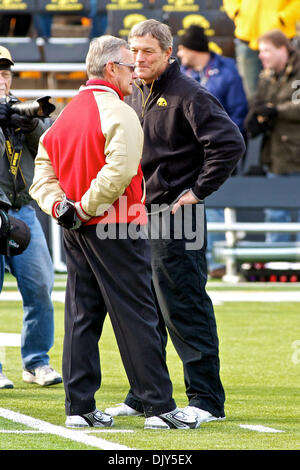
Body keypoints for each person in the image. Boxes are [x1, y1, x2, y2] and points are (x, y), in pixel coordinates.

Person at [29, 35, 200, 430]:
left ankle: (80, 408)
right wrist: (86, 208)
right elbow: (121, 170)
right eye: (127, 66)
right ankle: (159, 408)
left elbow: (43, 170)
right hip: (115, 227)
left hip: (76, 228)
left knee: (81, 315)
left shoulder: (67, 114)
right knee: (138, 315)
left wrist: (62, 207)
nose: (133, 74)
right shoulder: (120, 112)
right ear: (110, 69)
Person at [104, 19, 246, 424]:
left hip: (177, 215)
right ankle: (145, 394)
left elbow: (230, 142)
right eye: (134, 50)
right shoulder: (133, 95)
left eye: (148, 51)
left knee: (183, 306)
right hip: (140, 217)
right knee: (146, 310)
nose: (139, 58)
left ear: (169, 53)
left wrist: (198, 192)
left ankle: (205, 401)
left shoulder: (190, 94)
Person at [0, 46, 61, 390]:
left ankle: (36, 361)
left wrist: (34, 124)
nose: (2, 79)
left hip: (23, 208)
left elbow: (54, 145)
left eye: (6, 73)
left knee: (40, 286)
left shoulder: (22, 107)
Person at [177, 24, 248, 278]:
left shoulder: (227, 74)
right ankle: (201, 260)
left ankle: (217, 262)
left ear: (193, 49)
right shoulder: (182, 73)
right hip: (187, 155)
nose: (179, 54)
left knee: (215, 203)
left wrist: (217, 141)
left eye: (182, 48)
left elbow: (238, 113)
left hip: (214, 152)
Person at [245, 29, 300, 243]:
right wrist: (256, 118)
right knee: (275, 213)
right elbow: (260, 103)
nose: (260, 56)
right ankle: (276, 266)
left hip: (297, 155)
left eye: (266, 50)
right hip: (275, 156)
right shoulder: (266, 74)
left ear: (282, 49)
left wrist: (276, 111)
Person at [223, 0, 300, 99]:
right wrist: (237, 11)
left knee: (285, 92)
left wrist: (283, 18)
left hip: (278, 39)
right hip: (247, 38)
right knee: (251, 94)